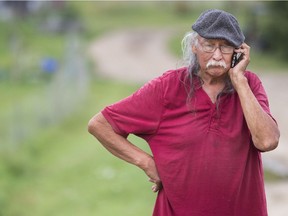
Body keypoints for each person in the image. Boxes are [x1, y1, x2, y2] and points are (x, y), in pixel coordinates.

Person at [88, 9, 280, 216]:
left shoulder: (249, 84)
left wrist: (239, 81)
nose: (217, 55)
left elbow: (267, 141)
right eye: (209, 45)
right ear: (194, 46)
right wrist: (146, 163)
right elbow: (100, 124)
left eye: (225, 47)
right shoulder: (167, 87)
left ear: (238, 52)